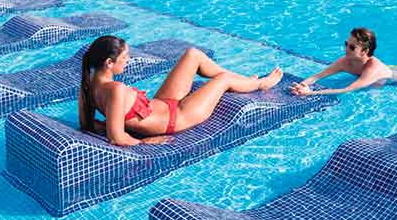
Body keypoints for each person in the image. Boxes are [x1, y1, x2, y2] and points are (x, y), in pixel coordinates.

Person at [79, 35, 283, 146]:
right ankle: (260, 84)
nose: (128, 61)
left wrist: (120, 122)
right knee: (224, 79)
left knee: (192, 55)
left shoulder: (87, 86)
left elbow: (88, 125)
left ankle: (245, 80)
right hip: (179, 117)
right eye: (125, 58)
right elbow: (117, 138)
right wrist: (143, 140)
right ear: (108, 62)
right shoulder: (115, 89)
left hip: (162, 103)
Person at [290, 27, 397, 96]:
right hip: (388, 70)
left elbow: (347, 89)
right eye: (346, 44)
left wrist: (310, 93)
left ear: (364, 52)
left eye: (352, 47)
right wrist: (302, 85)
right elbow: (318, 76)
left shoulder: (373, 69)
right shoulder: (345, 61)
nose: (346, 49)